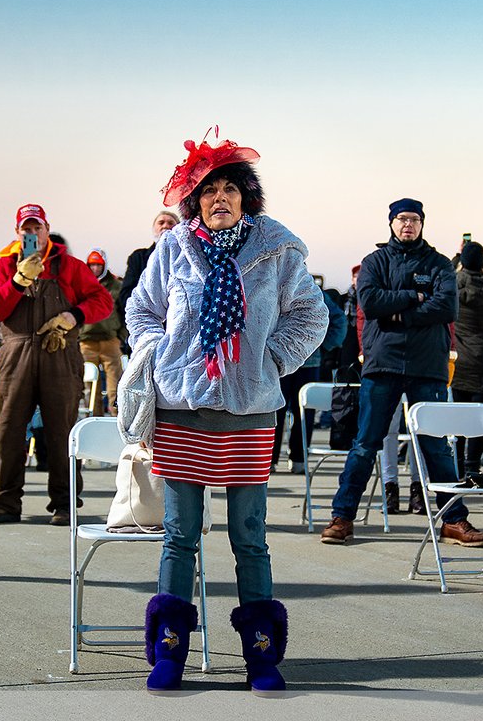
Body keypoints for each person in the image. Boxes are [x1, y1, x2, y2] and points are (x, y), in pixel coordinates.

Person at [125, 134, 325, 693]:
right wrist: (159, 355)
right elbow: (140, 310)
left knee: (249, 535)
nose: (220, 198)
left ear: (246, 197)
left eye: (230, 189)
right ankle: (169, 654)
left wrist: (270, 359)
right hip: (182, 408)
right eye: (208, 190)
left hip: (249, 412)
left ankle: (262, 656)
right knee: (180, 534)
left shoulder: (277, 250)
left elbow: (313, 315)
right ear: (195, 201)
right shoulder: (174, 249)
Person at [322, 198, 483, 547]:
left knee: (436, 446)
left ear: (422, 223)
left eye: (413, 219)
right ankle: (342, 516)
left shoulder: (440, 263)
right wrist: (415, 295)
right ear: (391, 223)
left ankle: (453, 521)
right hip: (382, 363)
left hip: (427, 366)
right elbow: (370, 301)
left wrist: (400, 311)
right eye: (401, 219)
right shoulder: (375, 261)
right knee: (366, 444)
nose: (407, 225)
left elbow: (446, 306)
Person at [0, 203, 112, 526]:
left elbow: (103, 301)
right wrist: (20, 280)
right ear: (18, 232)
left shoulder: (70, 265)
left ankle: (65, 504)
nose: (32, 233)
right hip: (15, 353)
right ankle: (4, 502)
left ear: (47, 229)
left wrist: (72, 316)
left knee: (62, 429)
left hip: (60, 353)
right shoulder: (4, 265)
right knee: (7, 430)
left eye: (37, 227)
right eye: (26, 228)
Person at [271, 286, 346, 474]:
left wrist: (324, 345)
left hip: (307, 362)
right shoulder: (274, 285)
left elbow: (338, 320)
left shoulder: (314, 291)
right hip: (279, 361)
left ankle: (298, 458)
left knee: (304, 413)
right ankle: (270, 459)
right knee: (274, 412)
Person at [451, 239, 483, 477]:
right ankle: (473, 465)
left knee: (460, 414)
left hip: (461, 358)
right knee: (480, 415)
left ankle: (457, 465)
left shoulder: (455, 285)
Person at [117, 210, 180, 346]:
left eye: (171, 223)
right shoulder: (138, 258)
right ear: (154, 229)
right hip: (149, 333)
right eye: (161, 222)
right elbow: (126, 296)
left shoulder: (186, 259)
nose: (165, 226)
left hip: (179, 333)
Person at [78, 248, 125, 415]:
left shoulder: (116, 286)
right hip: (86, 342)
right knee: (90, 388)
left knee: (115, 387)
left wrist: (122, 337)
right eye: (92, 265)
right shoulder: (81, 284)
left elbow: (123, 311)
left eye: (99, 265)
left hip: (110, 341)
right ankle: (94, 419)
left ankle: (116, 419)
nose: (95, 269)